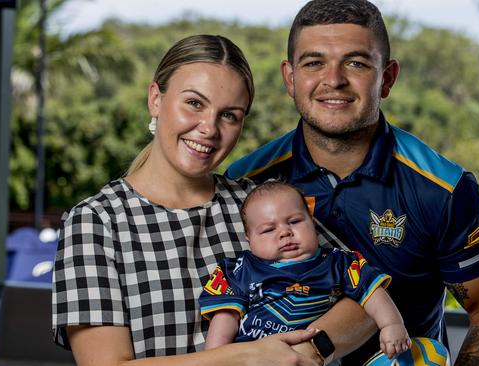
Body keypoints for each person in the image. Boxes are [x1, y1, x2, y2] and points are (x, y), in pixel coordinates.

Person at [225, 0, 479, 364]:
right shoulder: (245, 183)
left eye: (356, 63)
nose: (333, 80)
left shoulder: (443, 189)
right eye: (314, 62)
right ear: (290, 78)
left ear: (388, 78)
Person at [52, 34, 374, 366]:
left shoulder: (259, 203)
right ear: (155, 99)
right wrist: (247, 356)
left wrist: (311, 349)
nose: (209, 128)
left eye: (230, 115)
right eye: (194, 103)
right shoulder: (96, 222)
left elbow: (368, 296)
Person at [200, 181, 411, 359]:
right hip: (253, 358)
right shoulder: (241, 269)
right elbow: (225, 318)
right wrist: (216, 359)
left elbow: (373, 293)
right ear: (249, 238)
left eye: (294, 221)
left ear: (312, 220)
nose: (285, 232)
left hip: (315, 358)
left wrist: (391, 324)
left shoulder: (338, 262)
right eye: (268, 229)